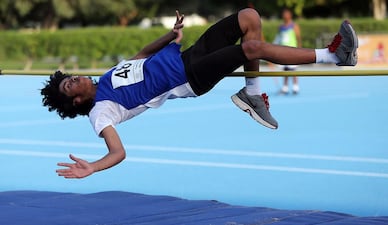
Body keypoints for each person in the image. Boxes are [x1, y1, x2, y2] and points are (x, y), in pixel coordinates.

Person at [41, 8, 358, 179]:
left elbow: (139, 56)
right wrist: (93, 167)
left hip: (186, 55)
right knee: (249, 48)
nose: (76, 77)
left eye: (70, 77)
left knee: (249, 18)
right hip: (190, 77)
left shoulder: (106, 77)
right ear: (77, 101)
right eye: (71, 84)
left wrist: (169, 36)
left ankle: (252, 94)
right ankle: (334, 55)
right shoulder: (101, 111)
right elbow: (117, 153)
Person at [273, 8, 302, 95]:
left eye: (286, 14)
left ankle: (295, 86)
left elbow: (298, 39)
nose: (285, 16)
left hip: (292, 51)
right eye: (284, 14)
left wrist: (299, 50)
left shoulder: (294, 26)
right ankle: (285, 87)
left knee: (293, 69)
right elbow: (278, 38)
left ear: (290, 15)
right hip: (283, 51)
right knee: (285, 69)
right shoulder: (281, 27)